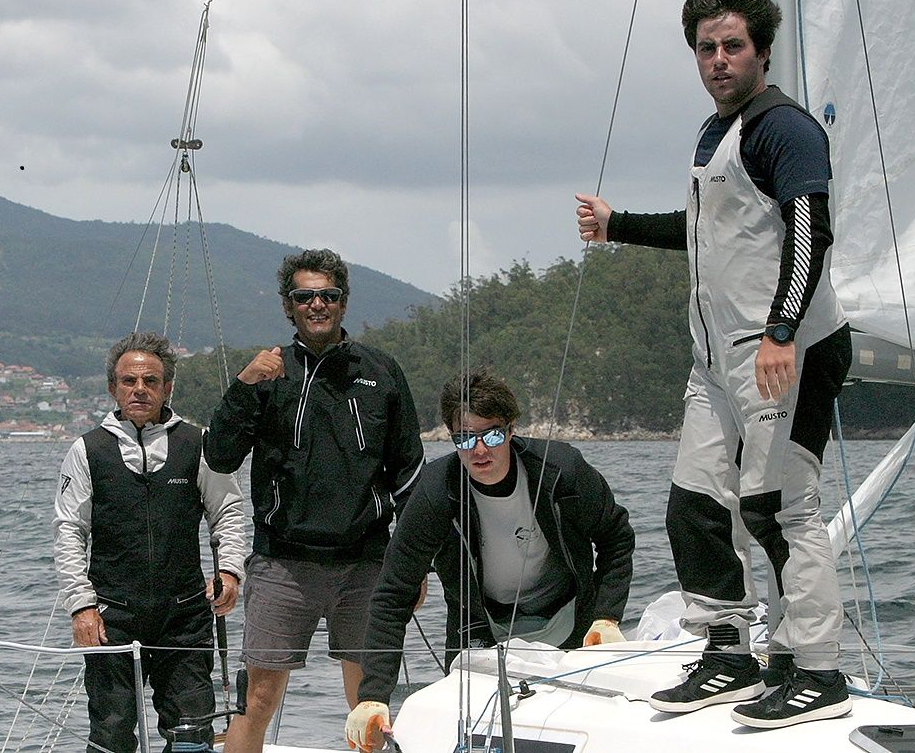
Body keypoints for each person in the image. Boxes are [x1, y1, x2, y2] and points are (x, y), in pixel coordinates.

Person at [574, 0, 853, 730]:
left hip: (783, 350)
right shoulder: (715, 131)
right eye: (706, 47)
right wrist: (618, 226)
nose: (719, 59)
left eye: (732, 46)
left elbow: (808, 231)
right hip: (716, 358)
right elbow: (710, 231)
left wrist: (780, 332)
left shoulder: (783, 129)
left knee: (778, 508)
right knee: (694, 508)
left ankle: (815, 670)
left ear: (762, 50)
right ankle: (728, 651)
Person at [204, 248, 426, 753]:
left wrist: (412, 569)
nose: (318, 304)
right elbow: (219, 457)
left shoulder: (381, 372)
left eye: (328, 295)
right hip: (283, 564)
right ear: (289, 306)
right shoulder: (266, 375)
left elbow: (410, 472)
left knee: (371, 705)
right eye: (305, 296)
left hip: (366, 563)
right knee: (255, 702)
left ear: (344, 304)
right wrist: (242, 387)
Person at [346, 369, 635, 751]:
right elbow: (392, 595)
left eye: (492, 434)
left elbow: (617, 539)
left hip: (572, 622)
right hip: (479, 630)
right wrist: (373, 694)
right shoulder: (435, 493)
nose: (480, 451)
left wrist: (607, 616)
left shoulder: (562, 470)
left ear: (512, 430)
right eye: (465, 438)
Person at [53, 331, 246, 752]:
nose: (139, 389)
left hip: (185, 615)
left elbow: (227, 513)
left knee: (193, 730)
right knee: (111, 730)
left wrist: (230, 571)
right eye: (129, 381)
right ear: (113, 388)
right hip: (110, 615)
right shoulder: (87, 451)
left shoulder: (197, 444)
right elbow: (70, 531)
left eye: (150, 381)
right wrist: (81, 605)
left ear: (167, 388)